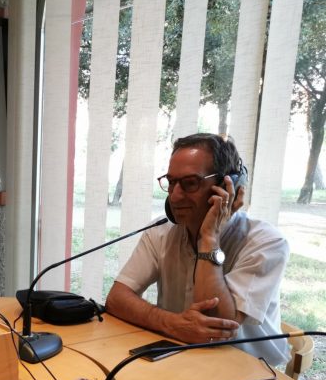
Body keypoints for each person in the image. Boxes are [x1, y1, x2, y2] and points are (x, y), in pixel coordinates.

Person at [105, 133, 290, 365]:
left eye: (190, 183)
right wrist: (173, 324)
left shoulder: (266, 242)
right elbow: (117, 299)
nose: (175, 195)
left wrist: (209, 238)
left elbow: (215, 329)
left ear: (225, 188)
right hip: (181, 359)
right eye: (171, 182)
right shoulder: (161, 231)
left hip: (250, 373)